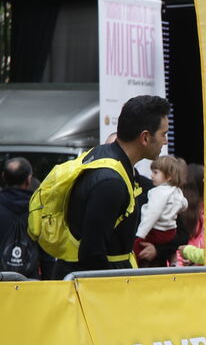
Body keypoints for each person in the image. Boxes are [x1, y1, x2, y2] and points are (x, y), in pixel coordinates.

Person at [48, 94, 167, 278]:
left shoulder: (103, 155)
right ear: (145, 137)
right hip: (96, 292)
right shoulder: (111, 183)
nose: (165, 141)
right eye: (163, 134)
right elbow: (92, 253)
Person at [0, 157, 50, 277]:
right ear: (28, 180)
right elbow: (47, 250)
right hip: (30, 282)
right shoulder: (39, 207)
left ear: (3, 177)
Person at [134, 155, 187, 265]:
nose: (152, 175)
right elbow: (184, 203)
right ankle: (173, 261)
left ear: (168, 177)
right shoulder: (176, 191)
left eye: (155, 172)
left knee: (136, 247)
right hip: (170, 231)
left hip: (156, 233)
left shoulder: (156, 192)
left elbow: (152, 214)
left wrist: (140, 235)